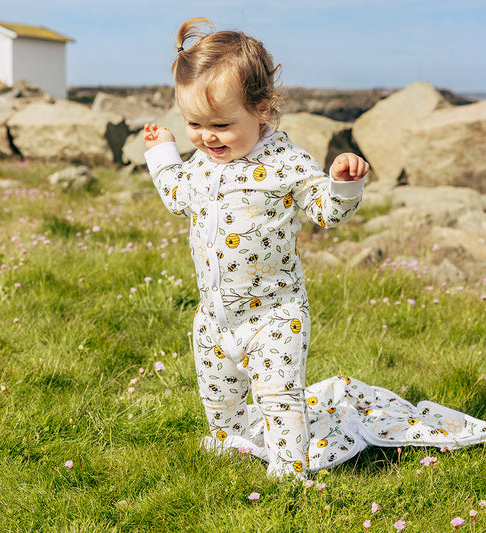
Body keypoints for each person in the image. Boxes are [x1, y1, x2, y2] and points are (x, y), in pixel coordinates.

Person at [143, 17, 369, 480]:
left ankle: (289, 472)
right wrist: (164, 152)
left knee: (279, 397)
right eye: (193, 123)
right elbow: (176, 197)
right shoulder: (202, 164)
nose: (207, 137)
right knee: (218, 395)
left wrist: (343, 184)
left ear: (262, 108)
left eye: (222, 124)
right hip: (214, 315)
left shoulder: (287, 162)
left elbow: (326, 211)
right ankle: (231, 446)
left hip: (274, 314)